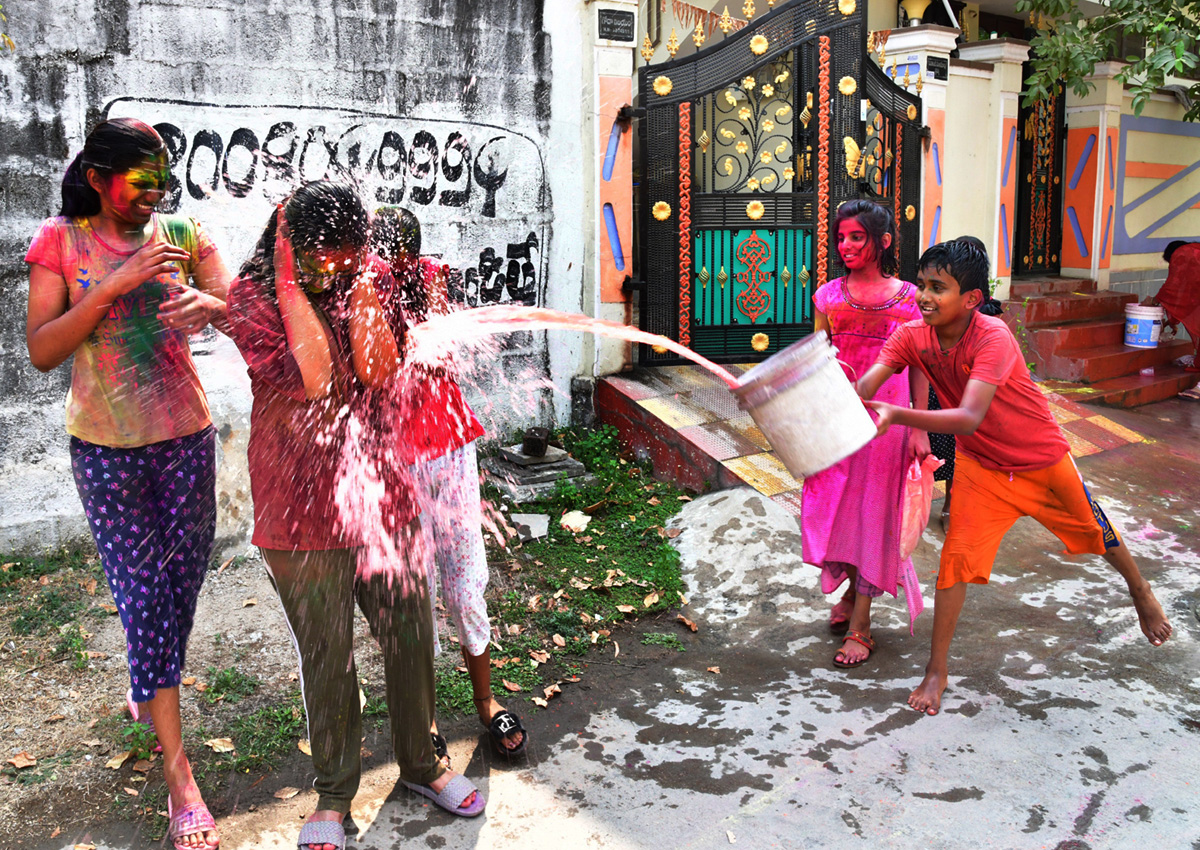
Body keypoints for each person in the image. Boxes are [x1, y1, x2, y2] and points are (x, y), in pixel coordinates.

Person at [226, 183, 484, 850]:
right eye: (324, 264)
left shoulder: (373, 284)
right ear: (290, 250)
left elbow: (374, 368)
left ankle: (423, 763)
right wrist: (289, 287)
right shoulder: (251, 298)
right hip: (297, 507)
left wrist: (364, 285)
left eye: (350, 259)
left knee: (410, 635)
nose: (336, 275)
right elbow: (317, 380)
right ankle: (334, 796)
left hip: (381, 494)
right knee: (328, 655)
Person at [857, 240, 1173, 716]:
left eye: (937, 288)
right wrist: (831, 393)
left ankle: (1141, 591)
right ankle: (937, 670)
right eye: (921, 285)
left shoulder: (993, 337)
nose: (923, 296)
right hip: (981, 468)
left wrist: (897, 416)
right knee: (954, 562)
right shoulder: (911, 337)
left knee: (1095, 529)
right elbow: (864, 388)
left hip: (1041, 460)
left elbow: (967, 416)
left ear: (972, 299)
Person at [25, 118, 230, 849]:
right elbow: (44, 349)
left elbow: (240, 308)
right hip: (107, 453)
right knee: (145, 602)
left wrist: (215, 309)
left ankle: (148, 686)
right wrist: (113, 286)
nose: (154, 195)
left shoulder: (182, 231)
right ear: (99, 176)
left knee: (180, 590)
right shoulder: (61, 241)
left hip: (185, 442)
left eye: (160, 181)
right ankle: (182, 784)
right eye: (140, 182)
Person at [370, 207, 526, 758]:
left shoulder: (431, 281)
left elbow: (438, 350)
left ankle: (485, 700)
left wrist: (418, 284)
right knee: (417, 594)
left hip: (450, 447)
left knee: (463, 583)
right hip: (395, 461)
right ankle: (427, 717)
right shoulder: (361, 299)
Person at [801, 199, 928, 668]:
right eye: (842, 237)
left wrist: (918, 427)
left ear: (884, 242)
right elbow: (819, 355)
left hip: (888, 421)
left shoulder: (911, 298)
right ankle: (852, 594)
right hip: (839, 417)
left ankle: (863, 624)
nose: (847, 245)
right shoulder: (827, 296)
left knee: (875, 514)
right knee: (839, 509)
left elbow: (919, 364)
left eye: (857, 237)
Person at [927, 235, 998, 532]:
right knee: (928, 450)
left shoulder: (988, 314)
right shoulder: (940, 305)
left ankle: (950, 506)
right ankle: (915, 501)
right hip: (937, 390)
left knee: (960, 455)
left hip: (967, 393)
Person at [1147, 240, 1200, 370]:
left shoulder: (1184, 254)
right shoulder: (1195, 254)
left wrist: (1153, 301)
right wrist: (1173, 321)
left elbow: (1174, 288)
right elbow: (1188, 297)